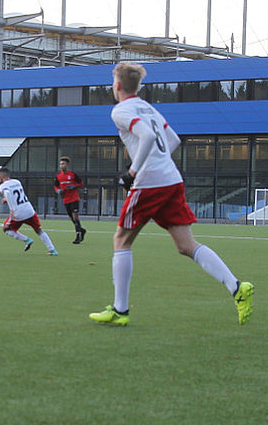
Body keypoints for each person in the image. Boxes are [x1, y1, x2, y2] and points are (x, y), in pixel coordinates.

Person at [89, 62, 254, 327]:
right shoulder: (149, 108)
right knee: (186, 245)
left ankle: (120, 310)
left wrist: (132, 172)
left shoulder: (121, 110)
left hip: (150, 182)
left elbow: (146, 137)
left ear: (117, 85)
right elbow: (173, 139)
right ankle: (236, 287)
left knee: (121, 240)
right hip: (171, 179)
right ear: (137, 86)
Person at [0, 168, 57, 255]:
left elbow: (8, 193)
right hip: (29, 210)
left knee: (6, 229)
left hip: (18, 213)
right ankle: (52, 250)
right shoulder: (17, 182)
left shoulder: (2, 186)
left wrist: (12, 209)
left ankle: (27, 240)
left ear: (2, 176)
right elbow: (17, 194)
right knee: (38, 230)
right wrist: (7, 199)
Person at [54, 156, 88, 244]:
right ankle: (82, 230)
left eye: (63, 164)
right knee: (72, 218)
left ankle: (78, 236)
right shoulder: (58, 176)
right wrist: (58, 191)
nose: (61, 165)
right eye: (60, 164)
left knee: (75, 217)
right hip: (65, 199)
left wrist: (74, 186)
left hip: (74, 198)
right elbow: (56, 186)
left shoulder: (73, 174)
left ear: (67, 165)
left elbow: (81, 183)